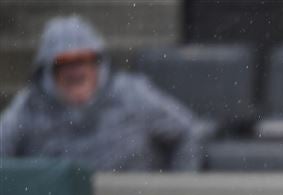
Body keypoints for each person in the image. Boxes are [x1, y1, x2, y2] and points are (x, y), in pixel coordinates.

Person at [0, 15, 202, 171]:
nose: (75, 69)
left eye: (83, 59)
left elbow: (186, 133)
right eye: (64, 62)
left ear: (98, 63)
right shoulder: (28, 107)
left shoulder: (132, 95)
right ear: (47, 70)